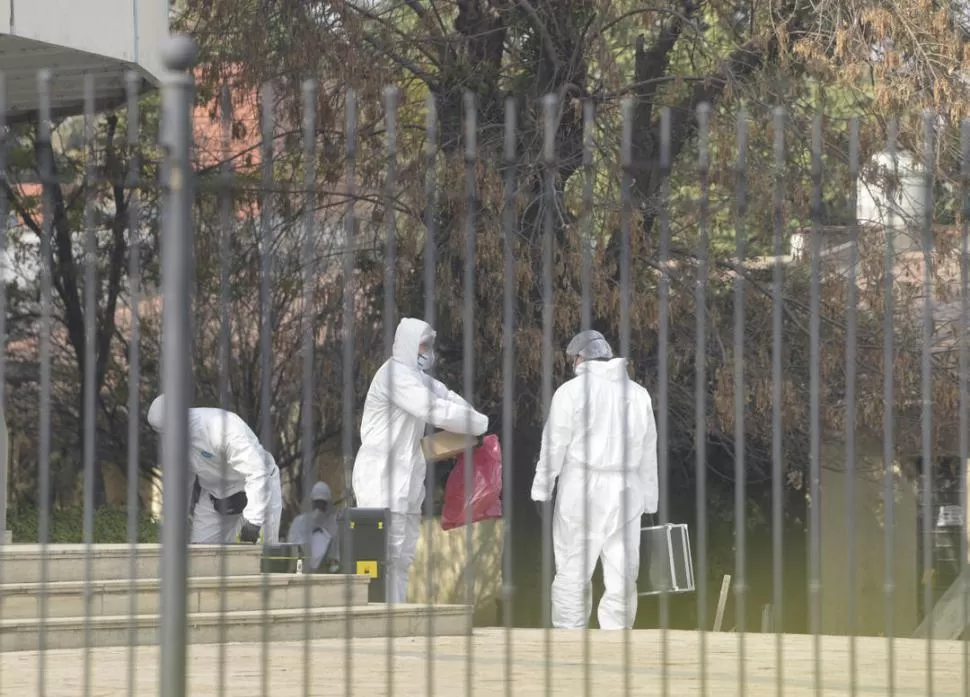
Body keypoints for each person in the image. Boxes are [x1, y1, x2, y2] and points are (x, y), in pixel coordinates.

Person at [352, 317, 489, 604]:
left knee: (403, 555)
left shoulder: (416, 378)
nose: (428, 351)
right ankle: (379, 616)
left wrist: (475, 420)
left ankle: (395, 615)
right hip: (381, 476)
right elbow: (434, 409)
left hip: (407, 475)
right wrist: (476, 423)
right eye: (423, 345)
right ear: (408, 345)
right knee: (385, 553)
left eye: (429, 345)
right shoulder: (394, 376)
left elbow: (447, 397)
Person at [530, 330, 658, 630]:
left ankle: (569, 638)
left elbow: (553, 447)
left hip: (580, 489)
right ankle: (617, 640)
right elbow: (648, 452)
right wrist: (650, 501)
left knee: (573, 568)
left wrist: (542, 491)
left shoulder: (571, 392)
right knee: (622, 572)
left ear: (580, 357)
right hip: (627, 490)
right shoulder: (638, 395)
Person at [147, 394, 283, 545]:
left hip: (258, 490)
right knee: (200, 555)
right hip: (215, 495)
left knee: (260, 558)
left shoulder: (221, 428)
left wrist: (254, 521)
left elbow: (257, 471)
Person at [286, 481, 341, 572]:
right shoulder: (299, 522)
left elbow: (334, 558)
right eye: (317, 503)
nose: (319, 508)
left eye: (322, 504)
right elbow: (293, 547)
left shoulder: (333, 525)